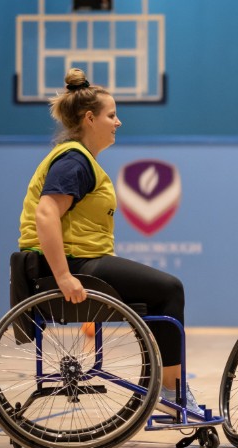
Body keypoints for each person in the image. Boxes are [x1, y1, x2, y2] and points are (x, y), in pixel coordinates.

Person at [17, 68, 204, 419]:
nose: (118, 122)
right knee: (169, 288)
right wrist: (63, 277)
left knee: (156, 291)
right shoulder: (73, 160)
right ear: (90, 119)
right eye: (112, 115)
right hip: (71, 265)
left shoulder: (80, 159)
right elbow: (46, 215)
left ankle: (165, 385)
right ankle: (171, 390)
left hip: (79, 259)